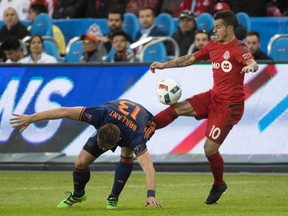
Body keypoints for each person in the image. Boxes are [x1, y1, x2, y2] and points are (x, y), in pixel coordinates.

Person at [150, 10, 258, 205]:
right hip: (212, 97)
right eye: (214, 27)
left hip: (229, 107)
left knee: (209, 149)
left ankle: (219, 184)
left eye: (218, 27)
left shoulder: (239, 48)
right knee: (177, 108)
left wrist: (251, 66)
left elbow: (251, 62)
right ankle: (145, 128)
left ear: (229, 28)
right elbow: (189, 59)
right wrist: (164, 65)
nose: (214, 30)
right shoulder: (213, 46)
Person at [10, 99, 162, 209]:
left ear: (117, 140)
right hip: (116, 110)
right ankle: (78, 194)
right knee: (80, 163)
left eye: (107, 147)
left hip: (144, 122)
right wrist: (31, 118)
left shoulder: (134, 136)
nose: (104, 149)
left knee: (127, 152)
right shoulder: (99, 115)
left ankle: (113, 198)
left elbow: (147, 165)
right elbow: (64, 111)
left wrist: (151, 194)